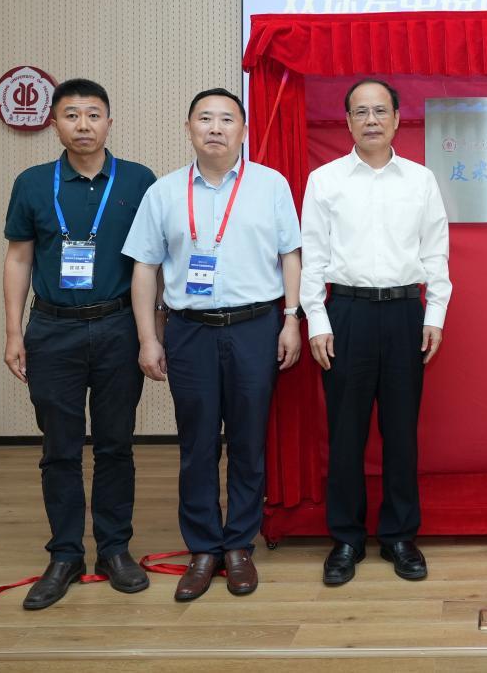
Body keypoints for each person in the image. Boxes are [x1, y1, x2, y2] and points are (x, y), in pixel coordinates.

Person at [122, 88, 303, 602]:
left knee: (248, 440)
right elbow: (145, 268)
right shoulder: (164, 192)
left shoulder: (270, 185)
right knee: (197, 443)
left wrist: (291, 319)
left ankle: (239, 545)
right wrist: (148, 338)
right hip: (190, 331)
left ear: (243, 130)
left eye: (227, 119)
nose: (216, 128)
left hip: (254, 327)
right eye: (205, 119)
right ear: (189, 129)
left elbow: (291, 255)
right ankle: (203, 548)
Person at [2, 78, 157, 610]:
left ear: (110, 122)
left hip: (117, 327)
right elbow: (19, 257)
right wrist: (13, 331)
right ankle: (65, 554)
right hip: (52, 330)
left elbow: (151, 262)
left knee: (115, 444)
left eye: (93, 115)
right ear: (55, 124)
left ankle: (114, 549)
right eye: (72, 115)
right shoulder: (32, 183)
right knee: (60, 448)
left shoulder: (138, 180)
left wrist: (151, 331)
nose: (83, 125)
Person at [301, 79, 451, 586]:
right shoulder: (324, 180)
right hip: (346, 314)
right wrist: (317, 319)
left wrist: (434, 315)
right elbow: (312, 256)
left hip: (405, 312)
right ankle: (346, 538)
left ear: (397, 118)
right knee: (346, 433)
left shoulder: (420, 180)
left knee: (401, 432)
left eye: (380, 111)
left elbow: (436, 251)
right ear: (347, 121)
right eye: (361, 112)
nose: (371, 120)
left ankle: (399, 535)